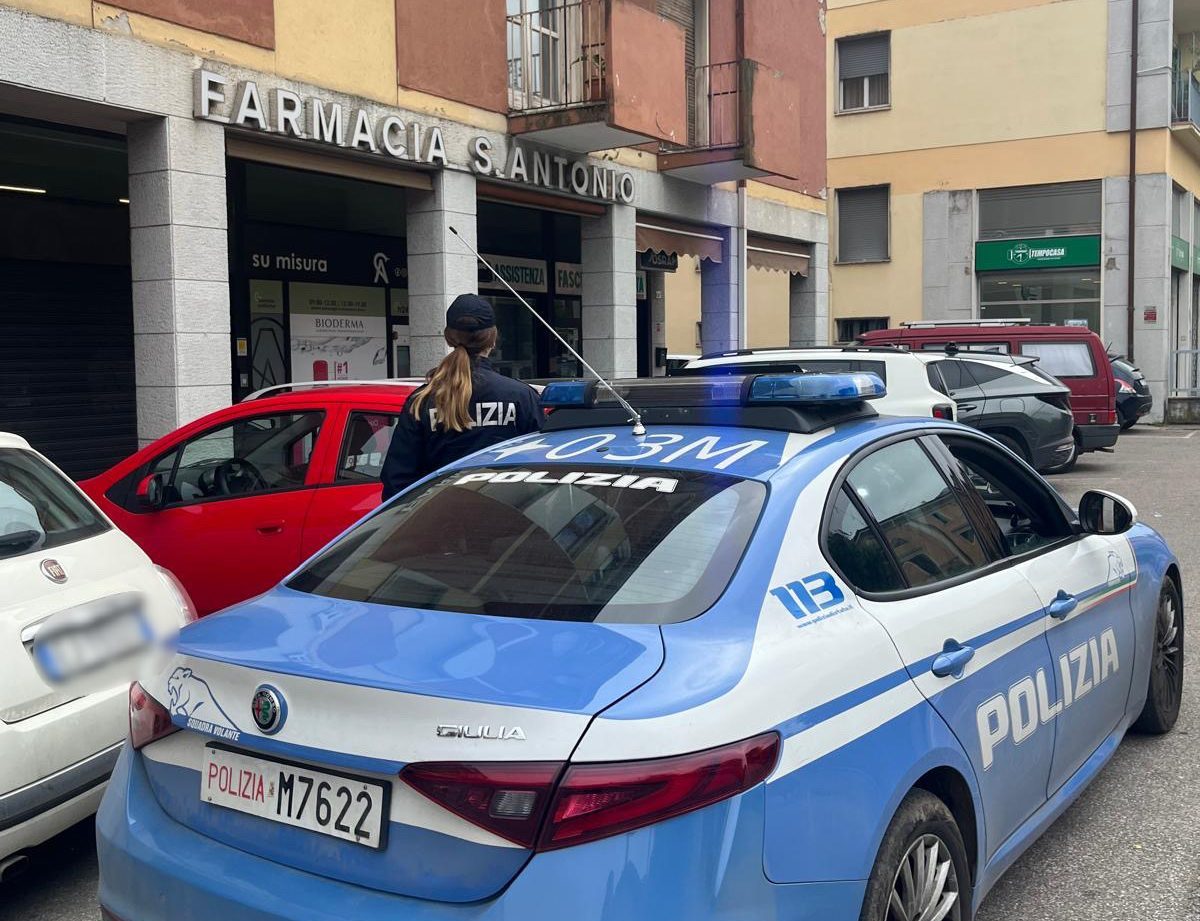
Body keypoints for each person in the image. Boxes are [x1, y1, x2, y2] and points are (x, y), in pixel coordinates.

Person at [381, 294, 542, 501]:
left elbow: (397, 481)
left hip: (439, 516)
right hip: (509, 514)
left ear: (448, 338)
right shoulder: (520, 396)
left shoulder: (421, 401)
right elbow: (545, 467)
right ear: (493, 339)